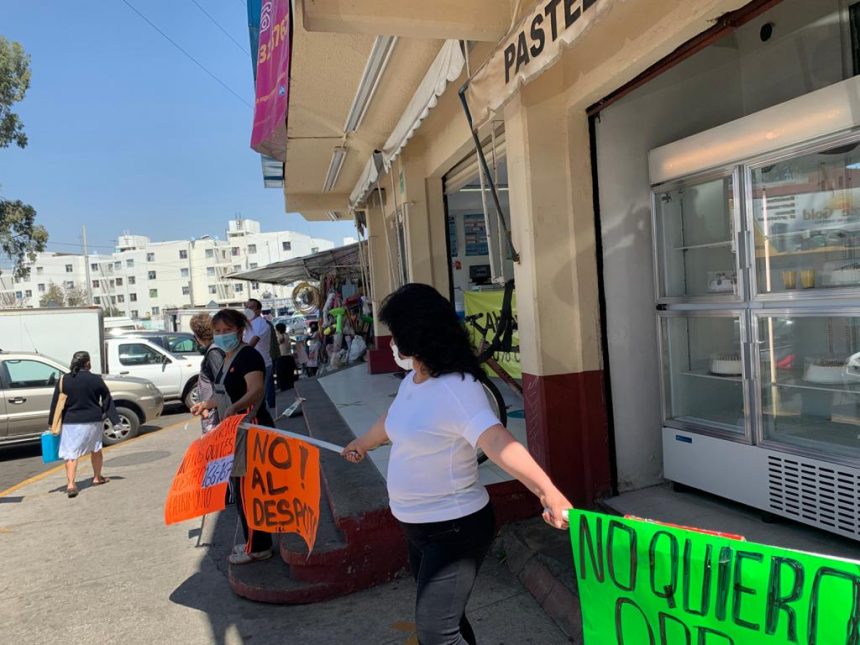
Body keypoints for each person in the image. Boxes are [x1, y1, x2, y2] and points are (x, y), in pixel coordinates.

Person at [341, 284, 571, 645]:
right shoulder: (413, 382)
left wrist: (548, 492)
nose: (391, 344)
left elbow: (497, 441)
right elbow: (391, 420)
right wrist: (361, 444)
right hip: (417, 528)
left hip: (454, 529)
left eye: (396, 334)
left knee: (437, 632)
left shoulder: (457, 388)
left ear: (417, 335)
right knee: (447, 621)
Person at [190, 308, 275, 565]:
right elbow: (222, 393)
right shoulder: (227, 357)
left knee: (250, 490)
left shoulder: (248, 356)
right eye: (217, 331)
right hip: (233, 430)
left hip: (251, 428)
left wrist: (237, 407)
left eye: (227, 330)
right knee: (240, 489)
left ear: (240, 330)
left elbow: (256, 390)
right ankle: (253, 541)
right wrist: (207, 405)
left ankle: (258, 546)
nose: (222, 335)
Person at [49, 351, 122, 498]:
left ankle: (71, 484)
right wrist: (115, 420)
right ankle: (97, 477)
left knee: (71, 454)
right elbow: (107, 399)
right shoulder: (96, 379)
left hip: (71, 422)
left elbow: (56, 403)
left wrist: (52, 423)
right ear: (87, 363)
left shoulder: (64, 380)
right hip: (93, 421)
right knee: (96, 449)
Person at [189, 312, 225, 433]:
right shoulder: (213, 349)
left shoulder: (214, 352)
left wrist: (207, 405)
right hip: (212, 409)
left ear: (196, 335)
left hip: (216, 414)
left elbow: (221, 385)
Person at [242, 299, 276, 410]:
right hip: (251, 365)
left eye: (251, 307)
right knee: (254, 399)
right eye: (246, 307)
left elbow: (252, 342)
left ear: (258, 310)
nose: (247, 310)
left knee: (258, 400)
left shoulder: (261, 324)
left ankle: (264, 423)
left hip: (262, 365)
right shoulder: (247, 324)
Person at [275, 322, 296, 391]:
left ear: (278, 330)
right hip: (289, 357)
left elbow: (277, 344)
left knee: (282, 374)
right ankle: (289, 386)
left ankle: (284, 387)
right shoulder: (286, 335)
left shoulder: (281, 336)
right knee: (289, 374)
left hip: (283, 357)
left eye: (276, 329)